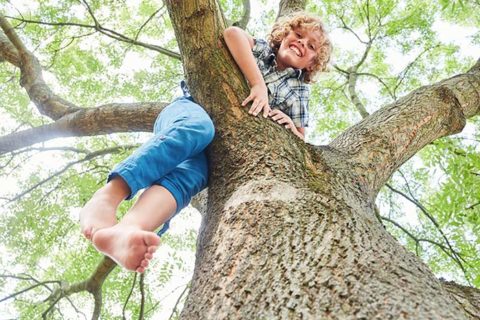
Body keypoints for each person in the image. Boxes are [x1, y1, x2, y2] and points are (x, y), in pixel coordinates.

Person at [79, 11, 332, 273]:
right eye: (298, 35)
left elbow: (301, 137)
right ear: (282, 36)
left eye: (311, 46)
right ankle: (110, 194)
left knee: (193, 176)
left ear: (313, 62)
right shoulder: (261, 50)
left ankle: (129, 229)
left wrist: (290, 125)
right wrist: (257, 84)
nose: (302, 43)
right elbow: (232, 34)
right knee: (198, 128)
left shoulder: (299, 90)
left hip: (215, 149)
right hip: (190, 110)